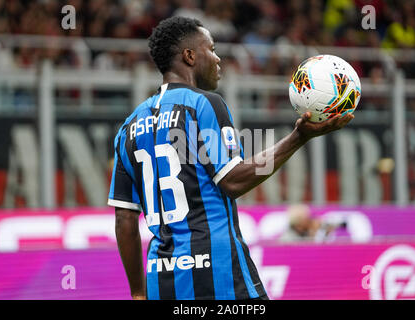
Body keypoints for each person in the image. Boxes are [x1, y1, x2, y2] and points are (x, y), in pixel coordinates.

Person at [108, 16, 354, 300]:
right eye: (211, 48)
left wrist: (138, 293)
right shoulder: (204, 104)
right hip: (219, 272)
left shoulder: (129, 126)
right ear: (189, 56)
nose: (217, 58)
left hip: (161, 279)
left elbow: (125, 218)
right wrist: (298, 138)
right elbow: (232, 181)